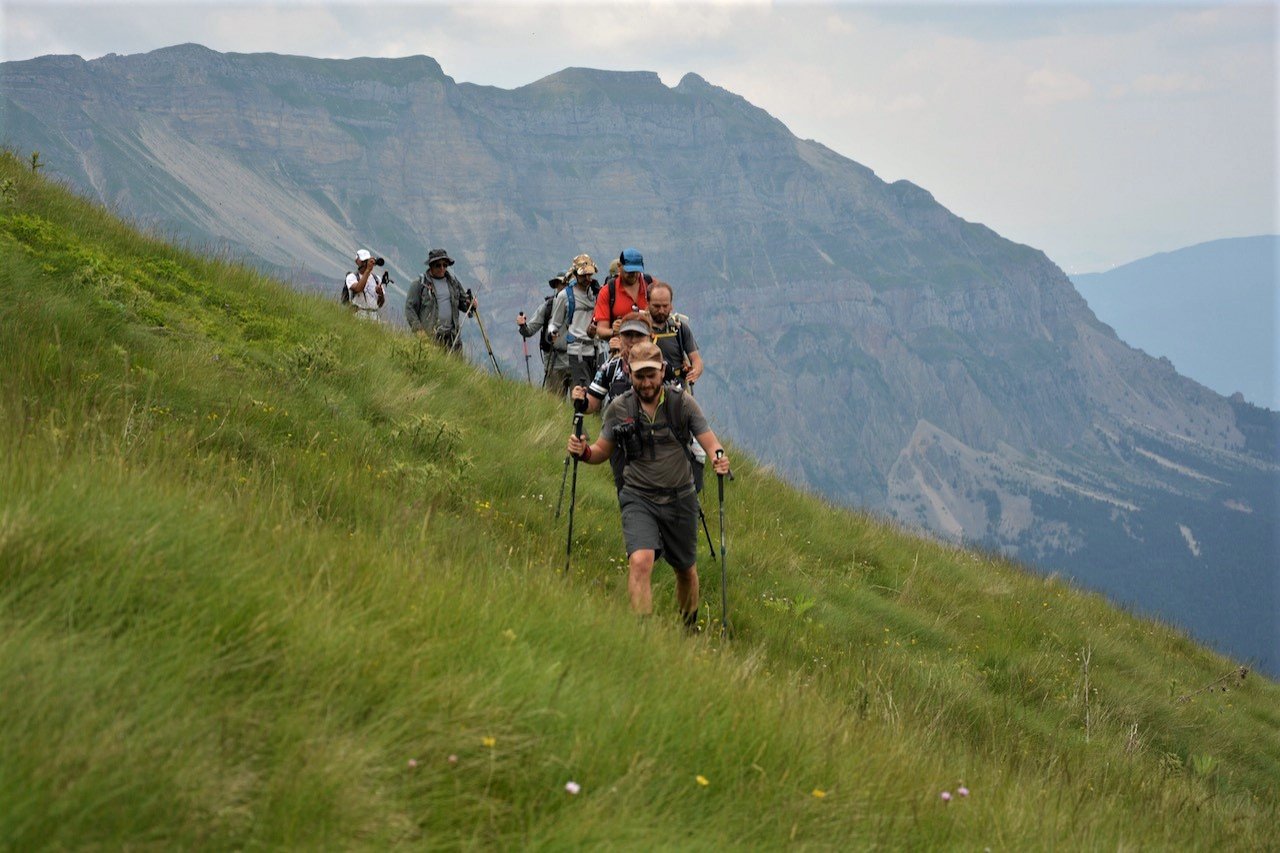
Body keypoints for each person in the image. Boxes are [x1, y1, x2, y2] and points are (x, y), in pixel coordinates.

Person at [567, 340, 731, 623]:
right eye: (639, 375)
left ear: (662, 371)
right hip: (638, 497)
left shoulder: (682, 403)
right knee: (640, 562)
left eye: (651, 375)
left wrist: (718, 457)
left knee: (686, 570)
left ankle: (687, 628)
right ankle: (643, 636)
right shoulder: (619, 408)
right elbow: (601, 452)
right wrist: (584, 453)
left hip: (680, 498)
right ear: (629, 373)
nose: (645, 382)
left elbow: (709, 441)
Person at [405, 248, 475, 351]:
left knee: (454, 367)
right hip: (430, 337)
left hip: (453, 338)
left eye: (445, 265)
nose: (442, 268)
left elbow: (463, 304)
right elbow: (410, 308)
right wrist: (419, 331)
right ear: (431, 266)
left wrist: (471, 304)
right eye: (438, 265)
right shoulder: (420, 284)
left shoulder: (454, 283)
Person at [550, 253, 601, 392]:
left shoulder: (596, 293)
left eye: (590, 275)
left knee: (595, 391)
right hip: (577, 349)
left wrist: (601, 294)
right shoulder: (564, 296)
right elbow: (555, 323)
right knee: (583, 390)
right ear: (575, 274)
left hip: (596, 350)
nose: (588, 279)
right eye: (584, 275)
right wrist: (552, 334)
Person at [519, 275, 572, 396]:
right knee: (555, 405)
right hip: (555, 363)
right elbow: (529, 330)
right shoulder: (548, 307)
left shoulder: (579, 306)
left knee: (578, 406)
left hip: (575, 363)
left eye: (566, 284)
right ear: (556, 287)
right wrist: (522, 326)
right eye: (561, 284)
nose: (563, 288)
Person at [648, 281, 703, 390]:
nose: (661, 310)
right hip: (648, 388)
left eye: (665, 306)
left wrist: (695, 371)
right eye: (656, 306)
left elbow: (696, 359)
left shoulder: (680, 329)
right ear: (648, 303)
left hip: (677, 389)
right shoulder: (639, 329)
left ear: (671, 305)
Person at [593, 248, 651, 340]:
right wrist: (615, 331)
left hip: (647, 348)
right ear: (619, 266)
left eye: (636, 271)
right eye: (629, 271)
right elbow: (601, 330)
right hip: (621, 348)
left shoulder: (650, 285)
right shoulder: (607, 291)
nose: (634, 274)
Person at [346, 249, 386, 321]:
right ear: (357, 262)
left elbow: (380, 304)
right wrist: (368, 270)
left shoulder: (376, 279)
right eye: (363, 261)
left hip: (374, 316)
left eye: (367, 261)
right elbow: (358, 289)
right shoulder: (352, 277)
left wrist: (380, 294)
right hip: (358, 314)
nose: (365, 264)